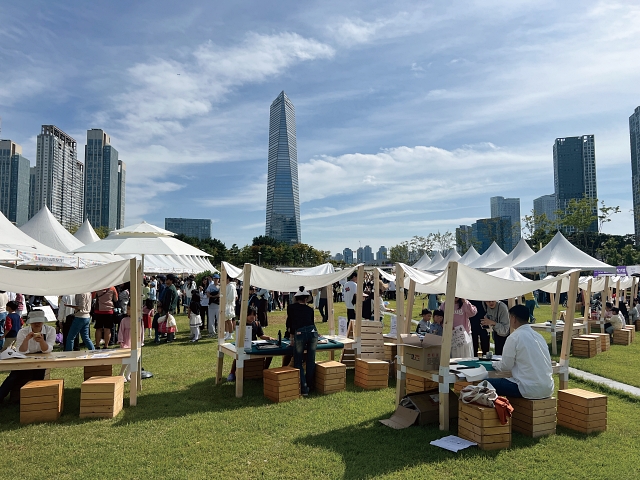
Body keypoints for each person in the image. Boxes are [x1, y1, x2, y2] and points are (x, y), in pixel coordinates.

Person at [487, 305, 554, 399]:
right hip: (548, 387)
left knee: (484, 382)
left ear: (513, 318)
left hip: (526, 388)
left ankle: (497, 412)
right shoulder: (539, 336)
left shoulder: (514, 337)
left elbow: (505, 366)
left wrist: (493, 364)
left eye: (509, 317)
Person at [0, 310, 56, 403]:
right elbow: (21, 351)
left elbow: (48, 349)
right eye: (34, 322)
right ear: (30, 322)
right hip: (24, 357)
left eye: (39, 321)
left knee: (39, 374)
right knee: (14, 375)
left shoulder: (50, 330)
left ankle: (32, 397)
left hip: (41, 358)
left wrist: (42, 341)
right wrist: (27, 339)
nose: (37, 324)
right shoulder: (23, 331)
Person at [227, 306, 274, 381]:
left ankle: (264, 370)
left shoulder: (256, 323)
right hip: (243, 345)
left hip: (254, 346)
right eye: (250, 314)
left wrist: (269, 338)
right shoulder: (241, 324)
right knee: (238, 356)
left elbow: (261, 335)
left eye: (254, 315)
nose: (252, 316)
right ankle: (232, 373)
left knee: (270, 353)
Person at [286, 286, 318, 395]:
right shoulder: (310, 309)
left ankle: (304, 389)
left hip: (300, 333)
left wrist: (291, 339)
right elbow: (312, 323)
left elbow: (290, 324)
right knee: (310, 360)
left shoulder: (291, 308)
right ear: (306, 298)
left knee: (298, 361)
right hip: (313, 333)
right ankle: (310, 385)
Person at [224, 275, 238, 341]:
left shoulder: (231, 286)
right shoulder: (227, 286)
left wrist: (225, 299)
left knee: (229, 320)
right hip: (225, 304)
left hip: (229, 305)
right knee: (225, 320)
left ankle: (230, 334)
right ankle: (227, 333)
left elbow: (232, 297)